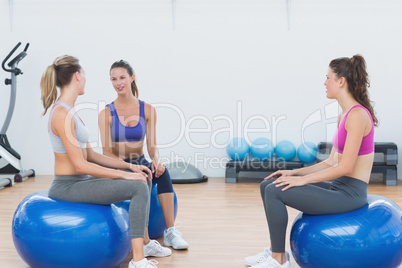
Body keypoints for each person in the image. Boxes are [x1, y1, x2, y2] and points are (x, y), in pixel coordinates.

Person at [245, 55, 378, 268]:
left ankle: (279, 262)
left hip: (350, 195)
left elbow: (345, 167)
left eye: (328, 78)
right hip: (338, 187)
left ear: (341, 81)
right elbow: (331, 161)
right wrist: (294, 174)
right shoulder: (343, 115)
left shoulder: (357, 116)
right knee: (268, 184)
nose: (324, 83)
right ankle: (274, 252)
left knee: (274, 191)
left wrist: (304, 182)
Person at [41, 55, 159, 268]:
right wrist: (127, 175)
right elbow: (80, 165)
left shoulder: (70, 111)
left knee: (144, 179)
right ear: (77, 76)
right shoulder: (61, 114)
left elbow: (92, 155)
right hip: (68, 186)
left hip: (82, 181)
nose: (85, 79)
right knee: (139, 187)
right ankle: (138, 260)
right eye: (84, 74)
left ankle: (145, 242)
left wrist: (131, 166)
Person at [98, 60, 189, 256]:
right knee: (142, 181)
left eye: (122, 77)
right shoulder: (106, 113)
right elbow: (106, 152)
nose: (118, 82)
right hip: (118, 165)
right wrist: (127, 168)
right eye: (113, 79)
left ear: (132, 78)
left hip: (140, 161)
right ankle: (145, 241)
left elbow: (152, 147)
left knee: (162, 174)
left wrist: (157, 160)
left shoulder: (147, 110)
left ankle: (171, 232)